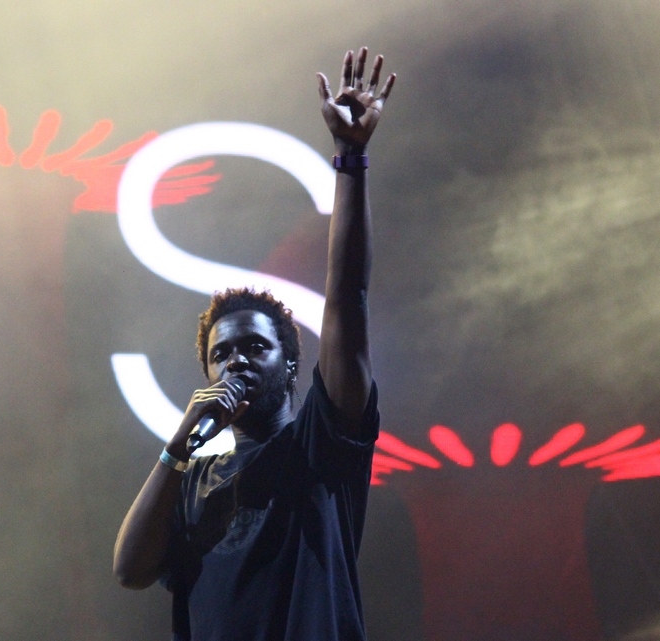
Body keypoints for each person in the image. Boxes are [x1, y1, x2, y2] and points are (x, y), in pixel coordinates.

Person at [113, 46, 395, 641]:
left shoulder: (322, 445)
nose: (235, 359)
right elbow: (130, 570)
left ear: (291, 364)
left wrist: (350, 158)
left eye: (254, 348)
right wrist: (176, 449)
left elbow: (348, 295)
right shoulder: (193, 480)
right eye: (220, 354)